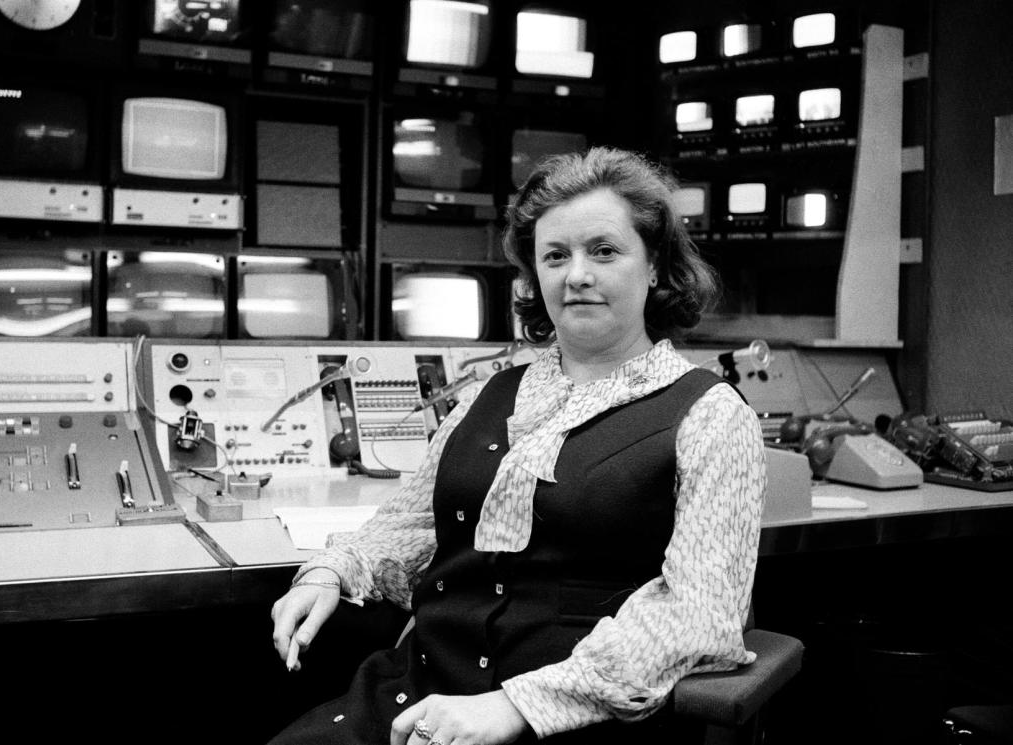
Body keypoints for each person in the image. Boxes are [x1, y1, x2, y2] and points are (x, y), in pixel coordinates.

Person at [268, 146, 767, 745]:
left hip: (568, 720)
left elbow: (701, 616)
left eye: (604, 251)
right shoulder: (488, 393)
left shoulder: (710, 415)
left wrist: (516, 707)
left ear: (655, 265)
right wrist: (331, 570)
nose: (576, 275)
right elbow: (408, 525)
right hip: (421, 693)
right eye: (555, 256)